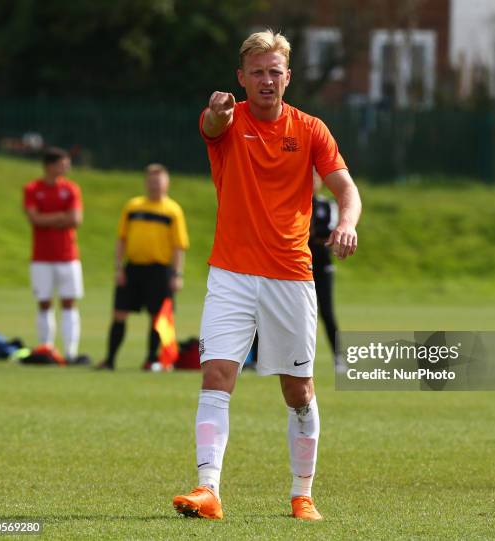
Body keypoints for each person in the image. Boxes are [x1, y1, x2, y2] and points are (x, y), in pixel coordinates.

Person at [172, 29, 361, 521]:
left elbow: (347, 189)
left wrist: (346, 223)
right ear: (241, 77)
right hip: (231, 274)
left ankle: (303, 494)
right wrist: (216, 111)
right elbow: (212, 125)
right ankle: (207, 489)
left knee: (298, 390)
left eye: (274, 71)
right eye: (256, 72)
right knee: (216, 374)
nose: (266, 80)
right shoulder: (227, 120)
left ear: (288, 77)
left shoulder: (312, 129)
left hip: (291, 277)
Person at [96, 164, 189, 371]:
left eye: (159, 181)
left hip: (159, 270)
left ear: (167, 184)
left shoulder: (173, 210)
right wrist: (119, 268)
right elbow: (121, 238)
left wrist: (177, 274)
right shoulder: (133, 206)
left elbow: (179, 246)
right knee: (119, 312)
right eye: (151, 181)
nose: (155, 185)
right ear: (146, 183)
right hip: (133, 268)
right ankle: (110, 359)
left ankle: (150, 360)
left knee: (158, 316)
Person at [23, 147, 83, 362]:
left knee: (69, 303)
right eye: (63, 163)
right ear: (50, 166)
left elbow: (75, 219)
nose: (67, 167)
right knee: (44, 302)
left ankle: (70, 352)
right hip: (41, 257)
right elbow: (34, 219)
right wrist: (60, 217)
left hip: (68, 256)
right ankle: (46, 349)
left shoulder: (72, 189)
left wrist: (47, 218)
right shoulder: (32, 188)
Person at [309, 169, 344, 373]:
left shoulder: (326, 205)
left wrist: (312, 233)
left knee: (327, 313)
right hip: (297, 268)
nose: (312, 182)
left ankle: (339, 358)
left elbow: (331, 231)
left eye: (315, 178)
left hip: (322, 268)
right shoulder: (296, 203)